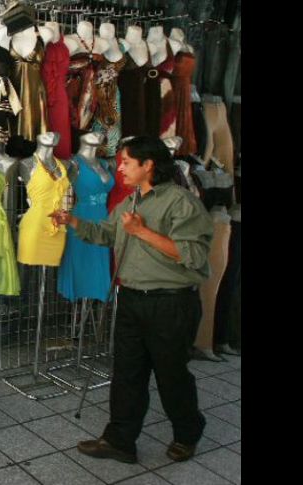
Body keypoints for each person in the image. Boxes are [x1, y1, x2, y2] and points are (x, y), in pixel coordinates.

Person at [50, 136, 213, 464]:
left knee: (171, 375)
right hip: (131, 300)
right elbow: (107, 234)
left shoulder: (181, 202)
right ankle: (120, 440)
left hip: (171, 303)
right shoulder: (129, 203)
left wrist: (142, 232)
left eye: (126, 162)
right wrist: (73, 222)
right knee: (126, 373)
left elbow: (193, 255)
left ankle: (187, 433)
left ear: (148, 165)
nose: (119, 168)